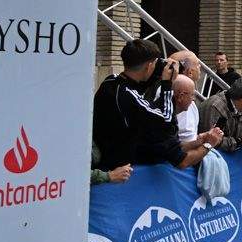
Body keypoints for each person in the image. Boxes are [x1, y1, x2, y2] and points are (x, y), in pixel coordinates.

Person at [92, 39, 220, 173]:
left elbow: (137, 85)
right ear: (148, 66)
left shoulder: (111, 81)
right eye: (155, 64)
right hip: (119, 164)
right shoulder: (127, 95)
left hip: (111, 152)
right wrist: (167, 85)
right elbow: (164, 118)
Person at [172, 75, 200, 142]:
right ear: (181, 97)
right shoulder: (165, 120)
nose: (194, 99)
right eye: (192, 95)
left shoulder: (192, 106)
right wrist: (208, 144)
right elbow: (178, 150)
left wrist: (203, 140)